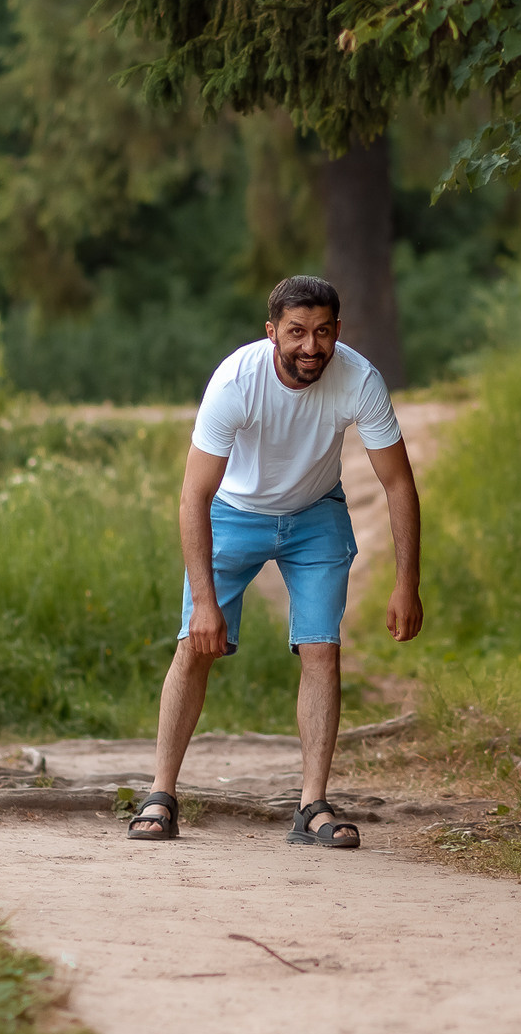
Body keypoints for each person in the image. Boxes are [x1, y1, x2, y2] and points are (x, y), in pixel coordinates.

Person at [126, 276, 423, 849]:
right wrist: (207, 602)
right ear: (272, 333)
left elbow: (398, 483)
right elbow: (193, 496)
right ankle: (161, 794)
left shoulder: (359, 379)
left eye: (323, 332)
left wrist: (407, 582)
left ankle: (312, 805)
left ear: (338, 330)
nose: (311, 346)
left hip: (316, 515)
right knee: (194, 644)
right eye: (296, 332)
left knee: (322, 649)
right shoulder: (237, 381)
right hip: (233, 514)